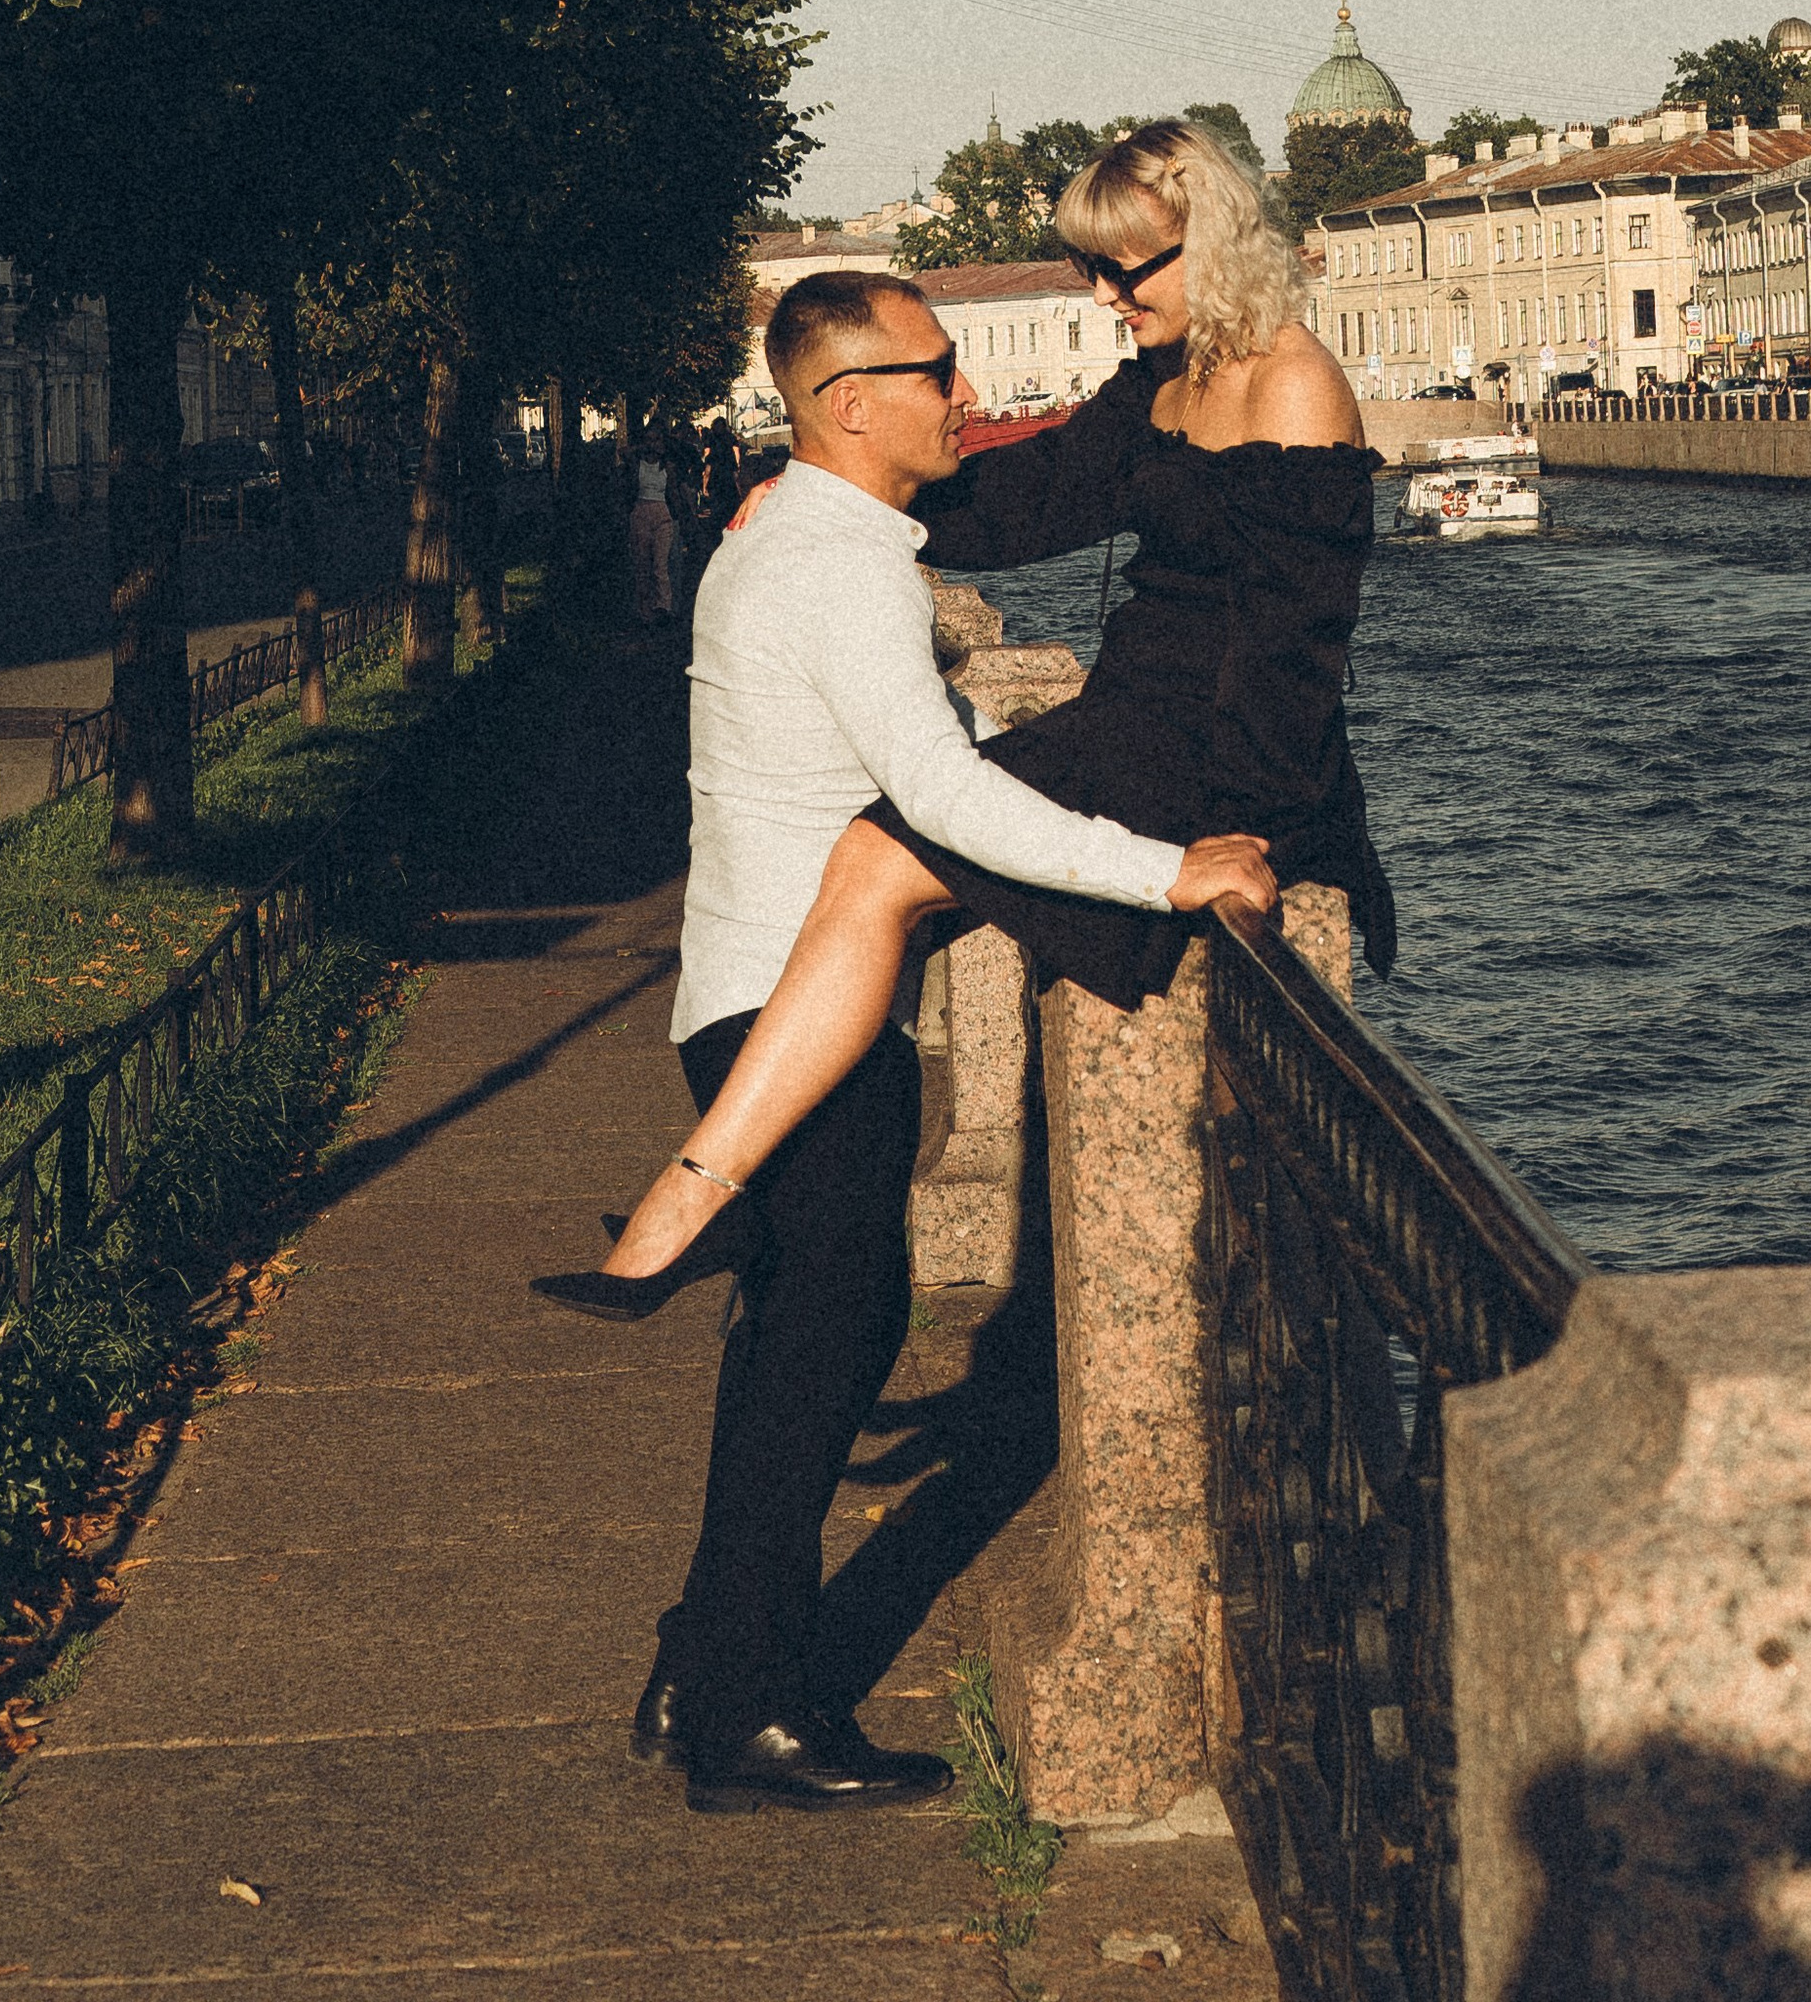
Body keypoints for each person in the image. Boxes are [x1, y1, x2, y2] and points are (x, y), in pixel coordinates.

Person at [535, 263, 1278, 1815]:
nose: (961, 393)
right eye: (935, 371)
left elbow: (906, 750)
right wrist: (1167, 869)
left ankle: (704, 1658)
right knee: (818, 1361)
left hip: (747, 996)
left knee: (800, 1354)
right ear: (849, 404)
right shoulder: (836, 567)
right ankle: (746, 1718)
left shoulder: (810, 534)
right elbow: (939, 802)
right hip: (798, 1014)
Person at [583, 114, 1390, 1308]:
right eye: (1091, 269)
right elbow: (1024, 502)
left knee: (881, 860)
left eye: (1131, 266)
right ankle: (725, 1202)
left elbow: (1298, 647)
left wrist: (1212, 842)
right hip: (1132, 717)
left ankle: (692, 1204)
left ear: (1212, 239)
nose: (1108, 293)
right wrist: (817, 488)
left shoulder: (1294, 382)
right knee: (885, 857)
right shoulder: (1166, 382)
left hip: (1223, 753)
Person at [626, 434, 680, 626]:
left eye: (657, 440)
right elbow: (624, 454)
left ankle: (664, 606)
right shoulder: (638, 465)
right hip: (641, 510)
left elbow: (673, 492)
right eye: (651, 440)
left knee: (660, 564)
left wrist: (677, 515)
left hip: (661, 512)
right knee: (642, 564)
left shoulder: (667, 467)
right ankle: (644, 609)